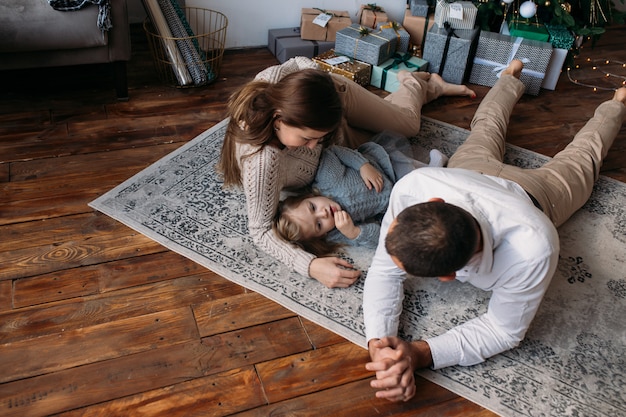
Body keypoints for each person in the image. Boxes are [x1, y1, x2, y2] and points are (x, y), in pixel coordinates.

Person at [362, 59, 626, 402]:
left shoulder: (535, 246)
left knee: (582, 159)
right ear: (435, 200)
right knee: (486, 128)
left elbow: (503, 330)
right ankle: (508, 78)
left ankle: (616, 102)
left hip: (537, 194)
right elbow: (383, 273)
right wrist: (379, 343)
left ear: (449, 276)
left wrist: (420, 354)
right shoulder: (417, 186)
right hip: (470, 172)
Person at [217, 56, 475, 288]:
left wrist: (320, 87)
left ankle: (412, 82)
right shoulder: (263, 163)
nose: (313, 146)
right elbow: (260, 230)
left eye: (315, 139)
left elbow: (299, 61)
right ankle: (426, 87)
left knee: (408, 125)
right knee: (389, 132)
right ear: (278, 118)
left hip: (335, 103)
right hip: (343, 142)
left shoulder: (275, 84)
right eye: (307, 139)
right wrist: (311, 265)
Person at [274, 131, 449, 255]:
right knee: (416, 211)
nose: (323, 213)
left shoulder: (327, 179)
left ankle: (431, 168)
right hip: (390, 200)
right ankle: (431, 173)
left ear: (308, 197)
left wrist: (363, 166)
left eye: (313, 207)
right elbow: (380, 239)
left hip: (383, 167)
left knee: (409, 171)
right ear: (322, 235)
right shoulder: (339, 231)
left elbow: (334, 152)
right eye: (319, 224)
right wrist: (354, 232)